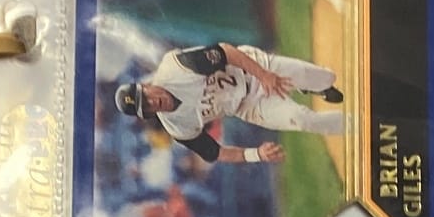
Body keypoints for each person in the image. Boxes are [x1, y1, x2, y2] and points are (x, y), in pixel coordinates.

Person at [114, 42, 345, 168]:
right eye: (147, 107)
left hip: (250, 69)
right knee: (304, 120)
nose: (153, 102)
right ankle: (357, 125)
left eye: (146, 97)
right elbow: (215, 153)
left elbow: (225, 52)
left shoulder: (176, 68)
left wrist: (264, 75)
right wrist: (257, 154)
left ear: (146, 86)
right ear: (148, 115)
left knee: (325, 77)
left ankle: (316, 86)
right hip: (247, 106)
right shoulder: (177, 127)